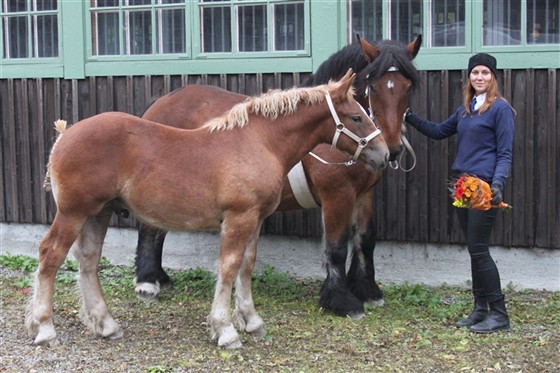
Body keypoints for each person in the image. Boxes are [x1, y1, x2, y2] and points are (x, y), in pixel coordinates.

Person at [405, 53, 515, 333]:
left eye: (485, 73)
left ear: (493, 77)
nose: (480, 77)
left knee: (479, 251)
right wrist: (410, 117)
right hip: (461, 186)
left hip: (483, 188)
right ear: (469, 77)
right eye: (475, 72)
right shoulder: (466, 108)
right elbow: (440, 130)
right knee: (473, 251)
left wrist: (498, 184)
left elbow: (504, 153)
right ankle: (480, 309)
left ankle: (499, 314)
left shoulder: (500, 109)